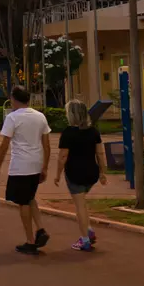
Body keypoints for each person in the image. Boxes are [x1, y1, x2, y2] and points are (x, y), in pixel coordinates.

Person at [0, 85, 51, 255]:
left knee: (23, 202)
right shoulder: (40, 116)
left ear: (14, 99)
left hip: (21, 165)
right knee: (30, 196)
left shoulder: (12, 118)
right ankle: (40, 229)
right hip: (36, 163)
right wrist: (45, 166)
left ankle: (30, 240)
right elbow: (47, 145)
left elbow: (4, 145)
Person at [54, 99, 107, 252]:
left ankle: (85, 240)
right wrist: (103, 172)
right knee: (82, 203)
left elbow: (63, 156)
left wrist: (57, 175)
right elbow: (100, 153)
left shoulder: (68, 133)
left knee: (80, 207)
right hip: (91, 173)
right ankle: (88, 230)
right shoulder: (93, 132)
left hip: (74, 174)